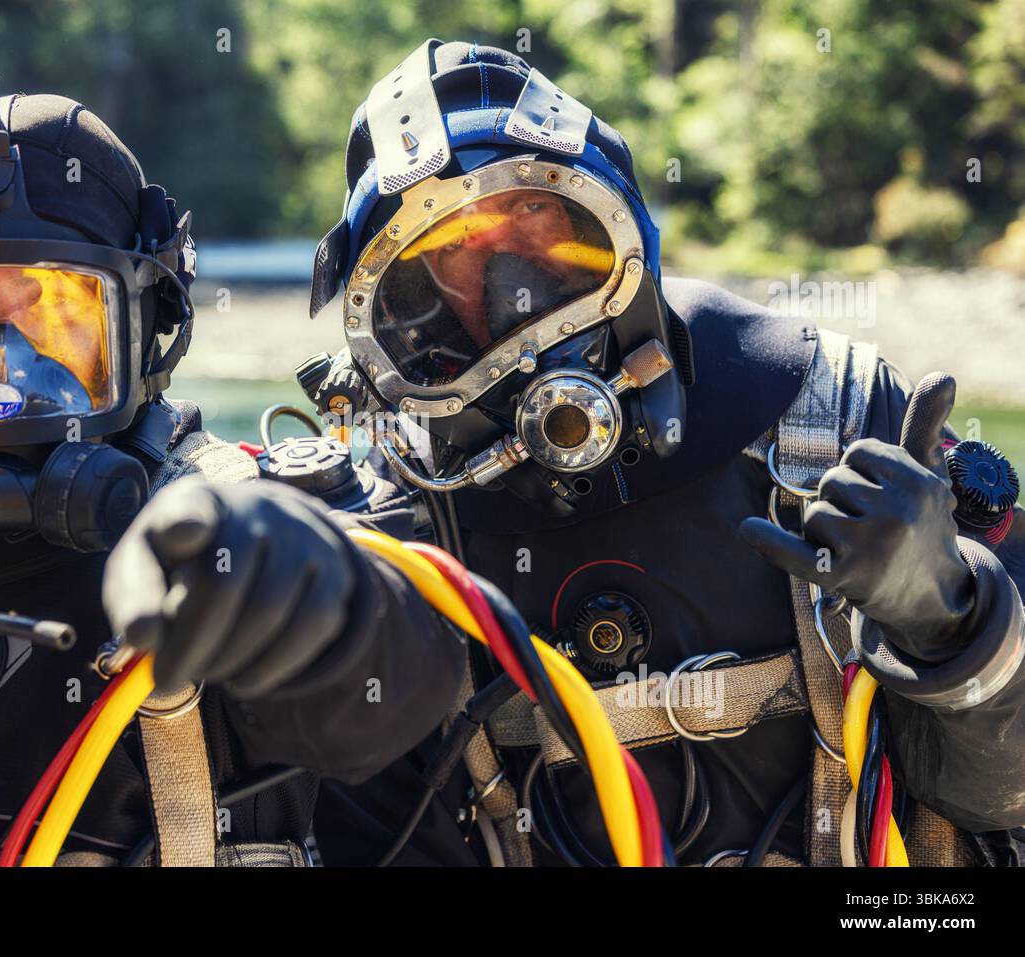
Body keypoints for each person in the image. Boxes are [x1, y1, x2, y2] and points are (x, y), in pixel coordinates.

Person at [304, 41, 1025, 866]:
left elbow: (1007, 800)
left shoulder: (850, 417)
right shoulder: (401, 539)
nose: (513, 292)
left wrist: (952, 618)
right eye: (449, 258)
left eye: (536, 216)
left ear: (623, 221)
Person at [0, 75, 463, 867]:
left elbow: (402, 697)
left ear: (148, 332)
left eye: (56, 312)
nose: (0, 367)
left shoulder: (234, 535)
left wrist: (328, 609)